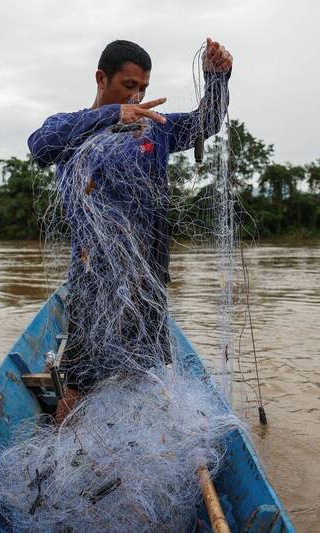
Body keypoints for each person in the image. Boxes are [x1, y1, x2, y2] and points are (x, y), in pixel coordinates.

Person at [27, 38, 233, 423]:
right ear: (101, 78)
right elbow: (39, 146)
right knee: (80, 379)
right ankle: (63, 446)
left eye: (144, 89)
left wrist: (218, 79)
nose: (138, 96)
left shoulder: (155, 128)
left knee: (145, 375)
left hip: (148, 279)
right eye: (129, 86)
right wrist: (112, 116)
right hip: (94, 277)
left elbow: (206, 123)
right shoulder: (69, 128)